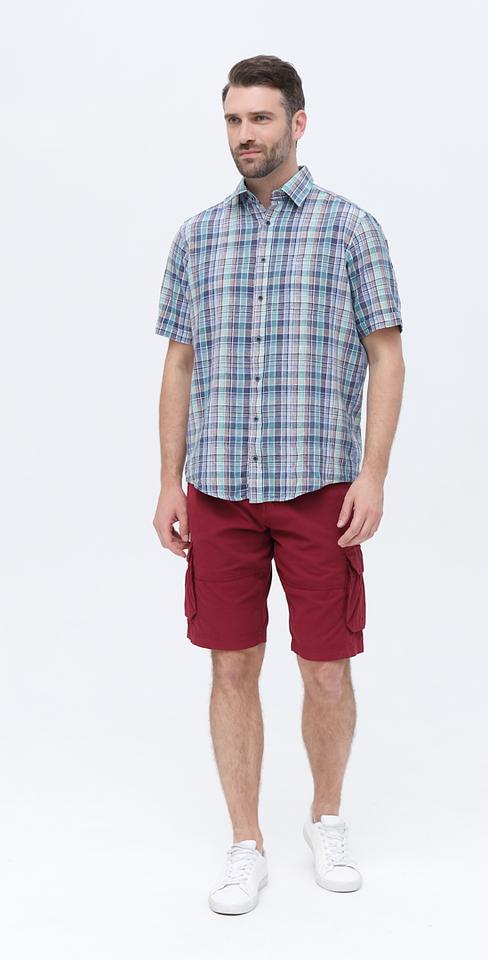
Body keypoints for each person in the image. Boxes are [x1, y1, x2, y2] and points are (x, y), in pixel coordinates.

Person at [152, 54, 405, 916]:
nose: (244, 135)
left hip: (318, 491)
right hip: (220, 490)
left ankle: (325, 817)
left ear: (297, 123)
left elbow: (386, 357)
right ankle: (245, 841)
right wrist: (169, 482)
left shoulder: (350, 230)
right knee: (231, 664)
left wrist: (373, 473)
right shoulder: (197, 236)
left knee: (326, 668)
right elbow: (179, 365)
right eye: (233, 120)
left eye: (260, 118)